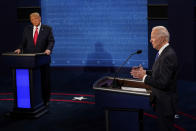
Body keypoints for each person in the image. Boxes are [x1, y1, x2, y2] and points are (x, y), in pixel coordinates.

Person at [130, 26, 178, 131]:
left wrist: (144, 77)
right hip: (161, 101)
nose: (150, 40)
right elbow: (160, 73)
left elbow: (163, 83)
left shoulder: (168, 55)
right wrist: (144, 72)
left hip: (165, 104)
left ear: (162, 39)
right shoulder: (163, 53)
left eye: (153, 37)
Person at [14, 12, 55, 106]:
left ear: (40, 18)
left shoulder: (47, 29)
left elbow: (51, 41)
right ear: (31, 20)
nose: (35, 21)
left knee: (45, 80)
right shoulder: (27, 29)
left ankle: (46, 99)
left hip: (43, 58)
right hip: (30, 60)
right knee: (32, 80)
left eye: (36, 18)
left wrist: (48, 49)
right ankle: (33, 99)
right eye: (32, 19)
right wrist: (20, 48)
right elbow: (23, 42)